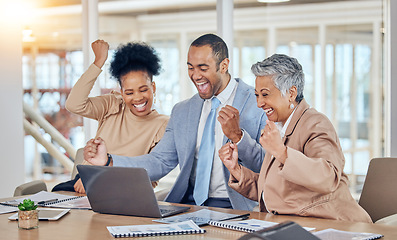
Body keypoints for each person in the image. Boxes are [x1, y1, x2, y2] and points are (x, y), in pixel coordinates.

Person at [84, 33, 267, 210]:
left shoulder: (258, 103)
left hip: (236, 206)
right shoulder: (182, 111)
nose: (195, 76)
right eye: (190, 67)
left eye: (203, 68)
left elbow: (268, 167)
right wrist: (108, 161)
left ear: (224, 65)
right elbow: (160, 161)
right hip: (188, 205)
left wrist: (238, 137)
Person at [218, 54, 372, 222]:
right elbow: (275, 191)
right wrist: (236, 170)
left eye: (265, 94)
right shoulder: (279, 127)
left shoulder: (316, 123)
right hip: (291, 224)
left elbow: (328, 178)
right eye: (257, 95)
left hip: (334, 225)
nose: (259, 103)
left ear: (291, 93)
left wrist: (281, 152)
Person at [53, 40, 169, 193]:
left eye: (143, 90)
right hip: (82, 183)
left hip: (124, 189)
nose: (138, 98)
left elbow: (151, 173)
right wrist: (98, 62)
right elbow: (74, 104)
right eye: (129, 92)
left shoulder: (163, 125)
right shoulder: (113, 105)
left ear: (153, 88)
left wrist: (97, 179)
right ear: (122, 92)